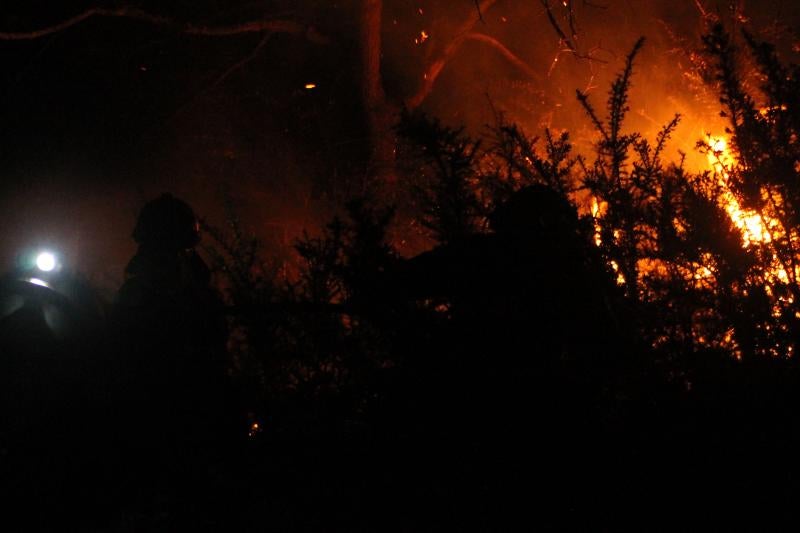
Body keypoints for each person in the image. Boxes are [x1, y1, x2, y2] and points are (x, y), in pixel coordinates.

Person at [114, 193, 230, 524]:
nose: (165, 259)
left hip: (187, 407)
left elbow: (215, 343)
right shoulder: (140, 292)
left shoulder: (196, 291)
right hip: (153, 407)